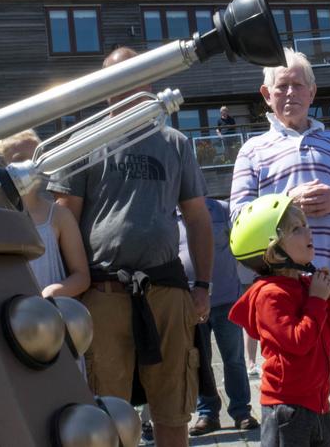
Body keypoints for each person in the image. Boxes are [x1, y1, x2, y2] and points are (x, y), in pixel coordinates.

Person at [51, 47, 213, 447]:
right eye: (116, 80)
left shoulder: (175, 143)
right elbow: (62, 219)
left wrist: (203, 286)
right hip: (103, 295)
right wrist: (69, 291)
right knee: (105, 414)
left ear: (149, 84)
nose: (125, 88)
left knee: (173, 410)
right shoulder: (82, 142)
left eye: (135, 77)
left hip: (167, 294)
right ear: (104, 89)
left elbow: (197, 218)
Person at [230, 48, 330, 446]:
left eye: (297, 84)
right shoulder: (251, 151)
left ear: (313, 91)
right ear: (265, 94)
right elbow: (237, 221)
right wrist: (285, 203)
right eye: (281, 86)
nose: (290, 93)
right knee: (295, 390)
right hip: (284, 289)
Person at [229, 194, 330, 447]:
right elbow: (298, 341)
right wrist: (316, 299)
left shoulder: (305, 285)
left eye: (305, 224)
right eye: (296, 229)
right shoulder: (270, 295)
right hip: (287, 408)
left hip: (318, 403)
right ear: (274, 251)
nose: (308, 231)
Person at [0, 130, 90, 300]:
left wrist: (54, 291)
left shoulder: (59, 215)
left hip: (50, 315)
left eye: (36, 159)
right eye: (20, 159)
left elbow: (81, 276)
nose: (31, 167)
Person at [188, 199, 260, 436]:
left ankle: (241, 412)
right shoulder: (167, 210)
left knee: (234, 359)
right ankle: (207, 414)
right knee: (200, 362)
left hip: (226, 299)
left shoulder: (222, 209)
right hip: (191, 304)